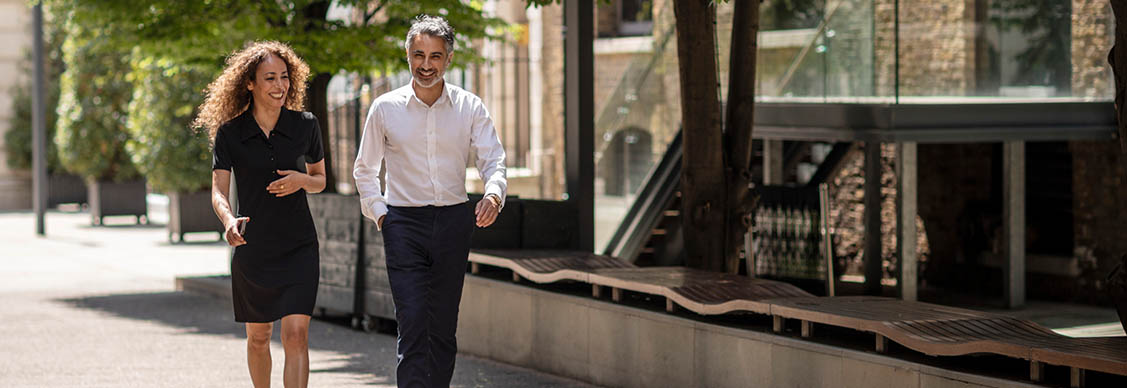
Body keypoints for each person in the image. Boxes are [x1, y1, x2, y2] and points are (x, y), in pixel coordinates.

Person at [353, 14, 507, 388]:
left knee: (441, 327)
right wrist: (382, 217)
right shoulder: (385, 108)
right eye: (418, 54)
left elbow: (494, 160)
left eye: (434, 56)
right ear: (407, 55)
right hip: (402, 224)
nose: (426, 64)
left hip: (454, 223)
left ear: (448, 59)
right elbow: (365, 170)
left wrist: (493, 194)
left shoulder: (470, 107)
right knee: (413, 320)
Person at [194, 40, 326, 388]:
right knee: (259, 337)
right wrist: (228, 221)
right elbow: (218, 191)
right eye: (269, 78)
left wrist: (301, 180)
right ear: (249, 83)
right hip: (254, 248)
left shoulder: (306, 125)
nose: (279, 85)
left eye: (284, 77)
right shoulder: (230, 134)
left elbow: (320, 181)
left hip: (299, 246)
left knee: (296, 336)